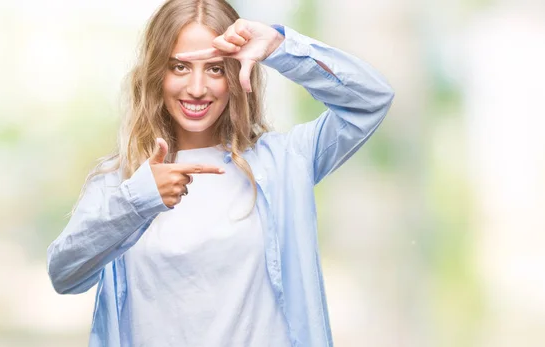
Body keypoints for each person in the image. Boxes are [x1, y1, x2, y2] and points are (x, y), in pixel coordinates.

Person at [46, 0, 394, 345]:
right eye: (179, 67)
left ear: (234, 74)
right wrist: (139, 200)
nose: (197, 89)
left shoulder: (287, 161)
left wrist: (280, 47)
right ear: (156, 73)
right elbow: (65, 274)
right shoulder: (122, 181)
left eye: (214, 69)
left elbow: (370, 100)